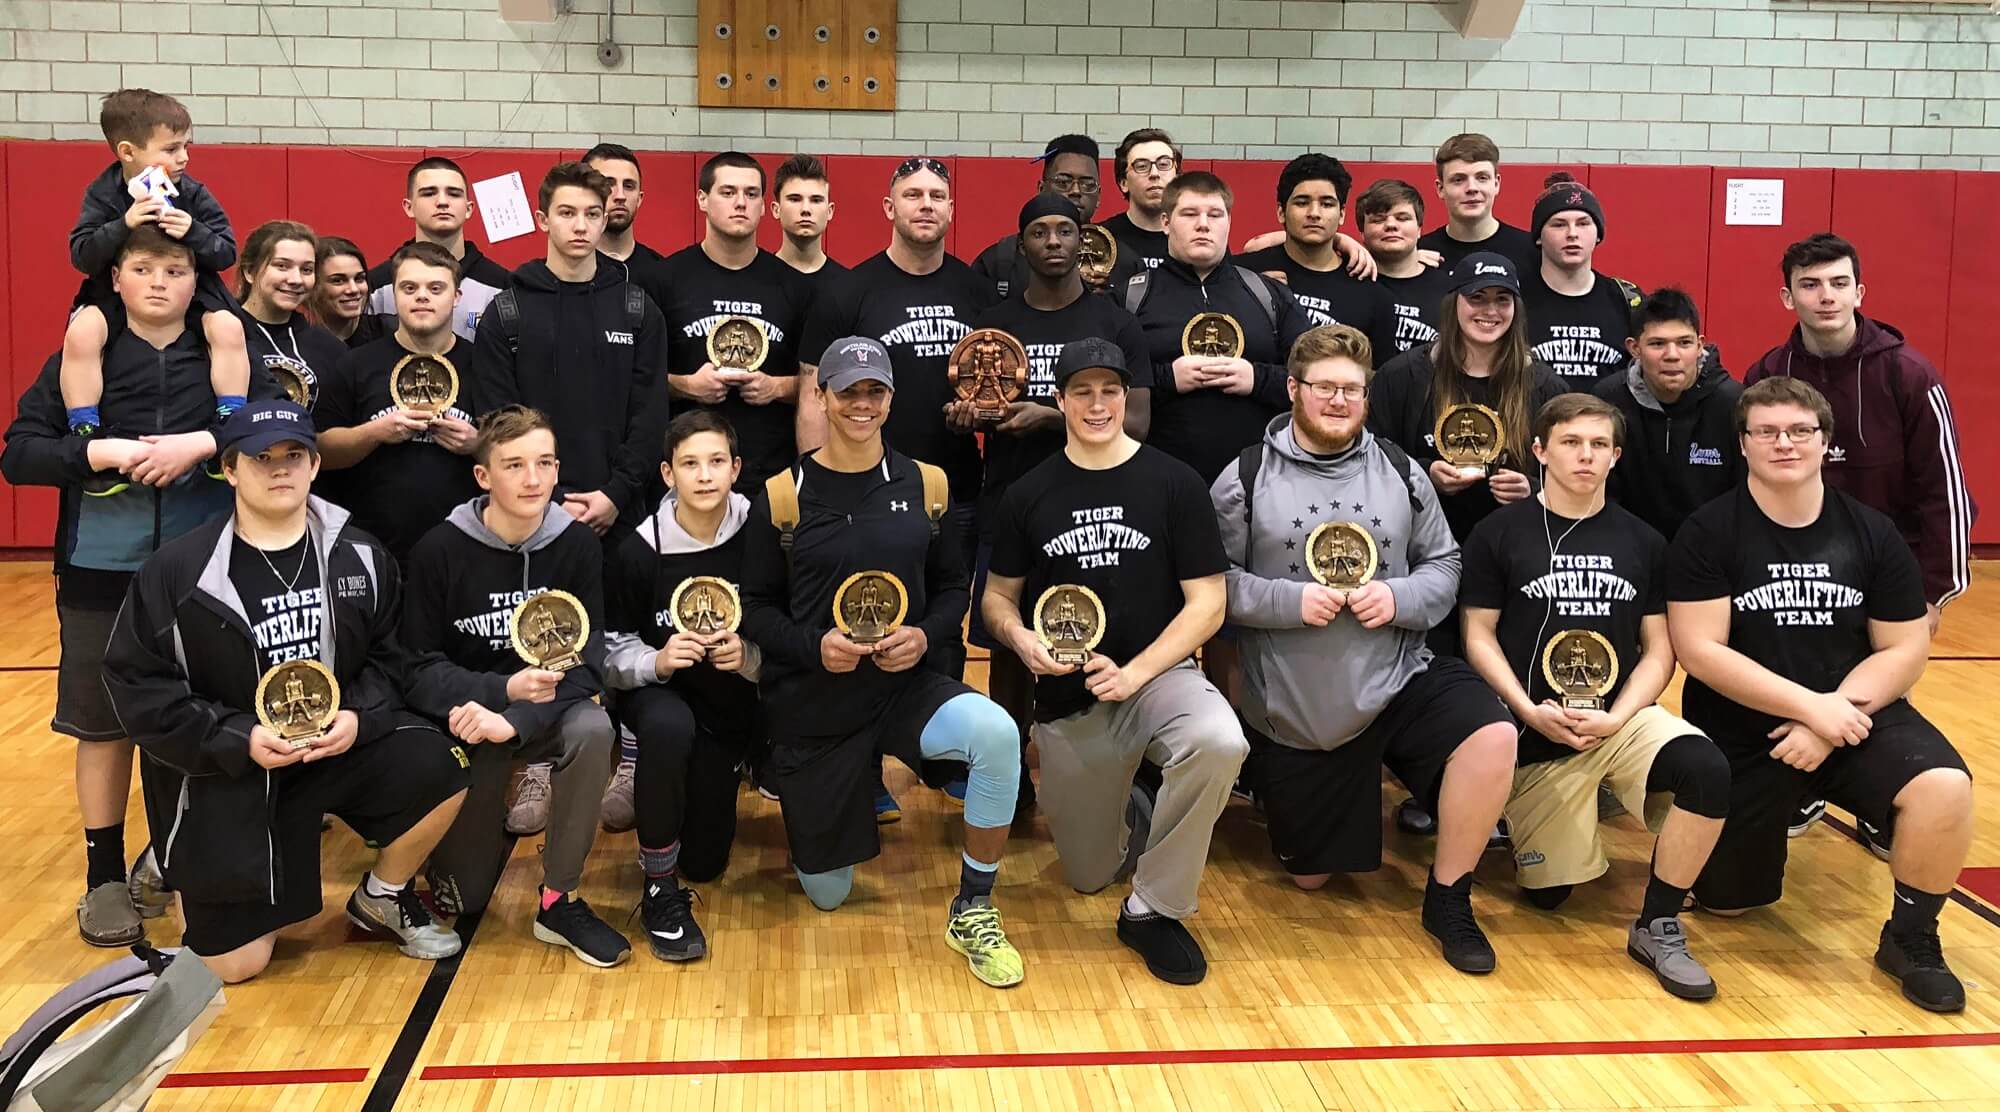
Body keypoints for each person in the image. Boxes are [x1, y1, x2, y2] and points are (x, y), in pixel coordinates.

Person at [101, 400, 469, 984]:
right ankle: (179, 856)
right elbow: (137, 686)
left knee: (442, 762)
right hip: (233, 767)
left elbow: (392, 659)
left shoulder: (362, 555)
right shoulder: (177, 571)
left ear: (315, 466)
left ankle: (383, 894)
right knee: (235, 965)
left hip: (332, 748)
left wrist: (358, 716)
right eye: (260, 458)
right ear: (228, 469)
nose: (279, 470)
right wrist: (237, 736)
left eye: (293, 456)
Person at [1209, 323, 1516, 975]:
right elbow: (1211, 586)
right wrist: (1286, 604)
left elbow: (1444, 560)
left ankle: (1449, 894)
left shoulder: (1403, 471)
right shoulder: (1242, 476)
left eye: (1354, 389)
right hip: (1306, 707)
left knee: (1492, 734)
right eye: (1325, 387)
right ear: (1293, 389)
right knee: (1315, 878)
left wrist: (1400, 599)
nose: (1340, 401)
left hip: (1401, 673)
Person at [1667, 377, 1975, 1014]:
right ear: (1744, 444)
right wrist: (1808, 709)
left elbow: (1904, 647)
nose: (1785, 443)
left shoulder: (1871, 531)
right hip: (1748, 729)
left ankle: (1911, 938)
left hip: (1855, 713)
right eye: (1768, 432)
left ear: (1825, 443)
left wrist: (1833, 715)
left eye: (1800, 431)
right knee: (1730, 902)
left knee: (1944, 785)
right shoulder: (1708, 531)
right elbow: (1701, 650)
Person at [2, 227, 273, 947]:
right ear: (114, 279)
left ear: (199, 280)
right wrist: (97, 449)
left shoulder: (227, 350)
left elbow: (285, 424)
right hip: (100, 571)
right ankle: (104, 876)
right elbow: (20, 453)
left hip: (207, 571)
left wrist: (207, 443)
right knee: (103, 724)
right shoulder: (80, 354)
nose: (160, 282)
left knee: (201, 716)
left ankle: (175, 855)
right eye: (143, 268)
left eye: (176, 269)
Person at [739, 337, 1025, 989]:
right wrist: (815, 647)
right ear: (822, 395)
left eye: (875, 391)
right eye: (848, 391)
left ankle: (974, 905)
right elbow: (753, 606)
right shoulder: (782, 495)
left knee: (996, 734)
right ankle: (831, 815)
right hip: (816, 701)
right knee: (829, 892)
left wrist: (925, 636)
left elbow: (954, 586)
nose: (862, 404)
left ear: (891, 398)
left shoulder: (929, 484)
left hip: (904, 685)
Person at [983, 338, 1246, 985]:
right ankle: (1136, 795)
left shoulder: (1174, 482)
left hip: (1158, 678)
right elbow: (996, 598)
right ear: (1060, 397)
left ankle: (1154, 909)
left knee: (1219, 741)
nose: (1096, 404)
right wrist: (1020, 640)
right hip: (1072, 697)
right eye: (1082, 390)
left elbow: (1208, 603)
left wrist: (1138, 671)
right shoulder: (1028, 493)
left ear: (1126, 397)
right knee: (1087, 876)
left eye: (1109, 390)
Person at [1459, 393, 1730, 1000]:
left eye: (1600, 445)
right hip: (1535, 727)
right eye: (1571, 443)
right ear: (1540, 451)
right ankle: (1542, 813)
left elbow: (1660, 650)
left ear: (1616, 456)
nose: (1586, 456)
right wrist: (1526, 710)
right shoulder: (1498, 533)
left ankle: (1657, 921)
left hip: (1618, 719)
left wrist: (1619, 716)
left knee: (1707, 768)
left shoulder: (1644, 540)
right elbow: (1477, 635)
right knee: (1551, 896)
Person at [1747, 233, 1976, 847]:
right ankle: (1808, 784)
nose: (1826, 297)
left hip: (1886, 575)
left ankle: (1881, 798)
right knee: (1798, 675)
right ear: (1787, 295)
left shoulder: (1908, 373)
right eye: (1811, 285)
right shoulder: (1770, 373)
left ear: (1860, 291)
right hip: (1793, 566)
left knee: (1876, 686)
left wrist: (1932, 595)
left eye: (1838, 283)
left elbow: (1946, 493)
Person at [399, 406, 630, 967]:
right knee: (466, 898)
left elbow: (587, 663)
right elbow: (415, 666)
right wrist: (497, 693)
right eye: (515, 465)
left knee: (595, 727)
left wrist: (518, 716)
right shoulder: (439, 549)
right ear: (483, 477)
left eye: (545, 463)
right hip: (468, 720)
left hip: (540, 713)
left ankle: (560, 899)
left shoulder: (577, 544)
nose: (533, 479)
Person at [968, 197, 1151, 785]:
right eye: (1039, 232)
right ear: (1020, 246)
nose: (1052, 241)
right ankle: (1008, 770)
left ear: (1083, 243)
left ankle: (1115, 760)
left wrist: (1049, 417)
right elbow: (979, 400)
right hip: (1013, 495)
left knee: (1108, 625)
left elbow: (1141, 422)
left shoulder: (1115, 323)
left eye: (1064, 231)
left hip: (1103, 499)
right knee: (1010, 639)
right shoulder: (997, 328)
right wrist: (965, 414)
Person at [796, 156, 993, 682]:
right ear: (889, 207)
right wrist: (810, 480)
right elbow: (812, 388)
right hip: (865, 490)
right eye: (912, 195)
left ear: (952, 209)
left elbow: (996, 387)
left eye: (936, 195)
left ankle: (944, 750)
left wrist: (982, 416)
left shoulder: (976, 291)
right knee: (860, 611)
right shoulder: (848, 291)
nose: (925, 205)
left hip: (955, 488)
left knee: (943, 621)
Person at [604, 411, 763, 962]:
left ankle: (753, 762)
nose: (704, 475)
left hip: (732, 697)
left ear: (736, 468)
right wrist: (658, 660)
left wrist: (752, 657)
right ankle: (657, 886)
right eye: (690, 464)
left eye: (716, 461)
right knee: (669, 728)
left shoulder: (761, 532)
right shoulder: (636, 552)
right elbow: (610, 650)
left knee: (708, 863)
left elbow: (787, 621)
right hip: (663, 695)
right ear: (668, 474)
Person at [470, 160, 671, 540]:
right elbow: (497, 421)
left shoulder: (638, 310)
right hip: (531, 513)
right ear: (543, 220)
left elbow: (650, 416)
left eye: (592, 214)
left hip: (621, 514)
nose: (581, 226)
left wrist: (616, 494)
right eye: (567, 213)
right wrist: (551, 499)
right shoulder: (506, 313)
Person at [62, 88, 250, 439]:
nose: (183, 158)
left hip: (192, 296)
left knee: (228, 327)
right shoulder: (103, 194)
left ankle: (230, 420)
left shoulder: (192, 194)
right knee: (82, 331)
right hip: (116, 296)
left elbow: (226, 253)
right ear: (128, 152)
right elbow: (82, 255)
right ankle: (84, 427)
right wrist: (123, 225)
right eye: (170, 149)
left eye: (186, 147)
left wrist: (194, 231)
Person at [1369, 252, 1568, 558]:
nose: (1490, 310)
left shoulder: (1545, 386)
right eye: (1477, 297)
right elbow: (1371, 457)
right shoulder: (1401, 377)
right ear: (1454, 302)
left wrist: (1534, 489)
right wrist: (1425, 473)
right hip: (1421, 550)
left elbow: (1574, 469)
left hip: (1516, 553)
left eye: (1503, 299)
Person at [1125, 170, 1311, 489]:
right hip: (1157, 482)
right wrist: (1167, 379)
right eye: (1189, 214)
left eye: (1215, 214)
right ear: (1166, 222)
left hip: (1260, 484)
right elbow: (1104, 390)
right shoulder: (1131, 297)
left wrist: (1257, 379)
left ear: (1228, 222)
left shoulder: (1268, 294)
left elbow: (1317, 380)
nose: (1203, 224)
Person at [647, 152, 811, 489]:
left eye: (751, 194)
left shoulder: (796, 287)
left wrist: (775, 387)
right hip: (689, 474)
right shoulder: (663, 280)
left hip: (770, 474)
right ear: (702, 199)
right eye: (728, 192)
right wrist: (688, 385)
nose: (741, 203)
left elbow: (819, 385)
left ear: (765, 206)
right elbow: (637, 381)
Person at [315, 242, 482, 558]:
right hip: (374, 549)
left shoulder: (485, 365)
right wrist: (374, 433)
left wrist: (478, 443)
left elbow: (518, 449)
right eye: (409, 287)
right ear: (393, 294)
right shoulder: (354, 364)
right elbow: (321, 450)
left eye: (436, 288)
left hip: (466, 547)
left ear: (457, 296)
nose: (422, 296)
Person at [1594, 287, 1743, 541]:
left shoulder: (1733, 403)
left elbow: (1746, 497)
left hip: (1713, 551)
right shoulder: (1608, 401)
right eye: (1657, 344)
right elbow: (1600, 493)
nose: (1672, 355)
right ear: (1634, 348)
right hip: (1629, 547)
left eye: (1684, 343)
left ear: (1700, 345)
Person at [1237, 154, 1398, 359]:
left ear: (1342, 215)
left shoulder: (1373, 296)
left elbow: (1379, 379)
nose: (1314, 213)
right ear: (1281, 212)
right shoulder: (1243, 275)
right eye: (1302, 203)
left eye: (1327, 204)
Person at [364, 156, 513, 340]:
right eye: (428, 193)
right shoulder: (377, 285)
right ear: (409, 207)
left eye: (454, 193)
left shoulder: (501, 286)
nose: (442, 202)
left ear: (468, 209)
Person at [970, 134, 1130, 301]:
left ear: (1099, 196)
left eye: (1087, 184)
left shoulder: (1125, 262)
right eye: (1063, 182)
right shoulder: (998, 261)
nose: (1076, 191)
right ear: (1041, 189)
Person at [1521, 174, 1641, 387]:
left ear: (1598, 235)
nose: (1572, 234)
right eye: (1559, 225)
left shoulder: (1627, 299)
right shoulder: (1514, 298)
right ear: (1539, 236)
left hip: (1608, 418)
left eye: (1583, 223)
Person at [233, 221, 348, 415]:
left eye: (306, 269)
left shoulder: (330, 349)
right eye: (282, 266)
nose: (296, 279)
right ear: (249, 272)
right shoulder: (218, 334)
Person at [1415, 133, 1538, 275]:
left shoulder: (1531, 251)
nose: (1472, 188)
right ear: (1440, 188)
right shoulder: (1420, 254)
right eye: (1458, 180)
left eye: (1482, 178)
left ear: (1496, 184)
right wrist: (1406, 267)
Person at [1358, 179, 1454, 357]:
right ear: (1362, 233)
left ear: (1419, 229)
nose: (1391, 225)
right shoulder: (1349, 284)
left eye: (1403, 218)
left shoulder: (1450, 291)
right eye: (1378, 219)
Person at [1100, 129, 1180, 271]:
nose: (1154, 174)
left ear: (1177, 177)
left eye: (1163, 164)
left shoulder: (1195, 238)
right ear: (1123, 182)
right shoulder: (1102, 240)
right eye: (1142, 166)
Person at [583, 142, 667, 276]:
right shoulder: (569, 269)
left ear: (639, 199)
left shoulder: (660, 272)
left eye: (628, 186)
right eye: (608, 184)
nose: (620, 196)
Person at [771, 153, 845, 292]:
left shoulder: (848, 286)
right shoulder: (755, 279)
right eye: (794, 199)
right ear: (776, 209)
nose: (806, 209)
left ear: (830, 211)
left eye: (816, 200)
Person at [312, 237, 390, 349]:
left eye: (359, 278)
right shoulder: (298, 343)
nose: (353, 289)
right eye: (338, 280)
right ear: (314, 285)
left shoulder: (389, 333)